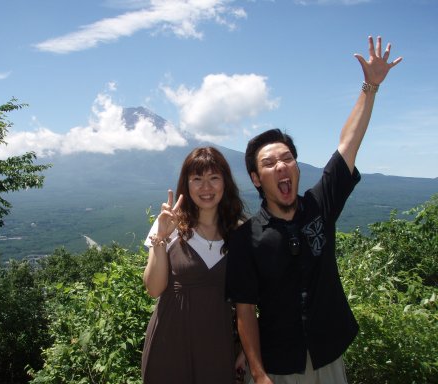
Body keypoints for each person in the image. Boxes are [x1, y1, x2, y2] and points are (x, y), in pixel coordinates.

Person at [225, 36, 403, 384]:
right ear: (255, 178)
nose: (281, 166)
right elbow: (244, 311)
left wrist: (370, 87)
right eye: (269, 162)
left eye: (287, 158)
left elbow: (347, 146)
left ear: (296, 166)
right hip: (279, 363)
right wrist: (258, 372)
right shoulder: (246, 238)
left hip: (327, 352)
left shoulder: (319, 204)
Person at [142, 146, 247, 384]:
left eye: (214, 178)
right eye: (197, 179)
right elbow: (154, 289)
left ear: (225, 183)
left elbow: (249, 299)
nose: (206, 187)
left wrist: (247, 350)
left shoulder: (239, 232)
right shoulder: (168, 225)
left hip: (218, 345)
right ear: (186, 185)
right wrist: (161, 237)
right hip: (170, 342)